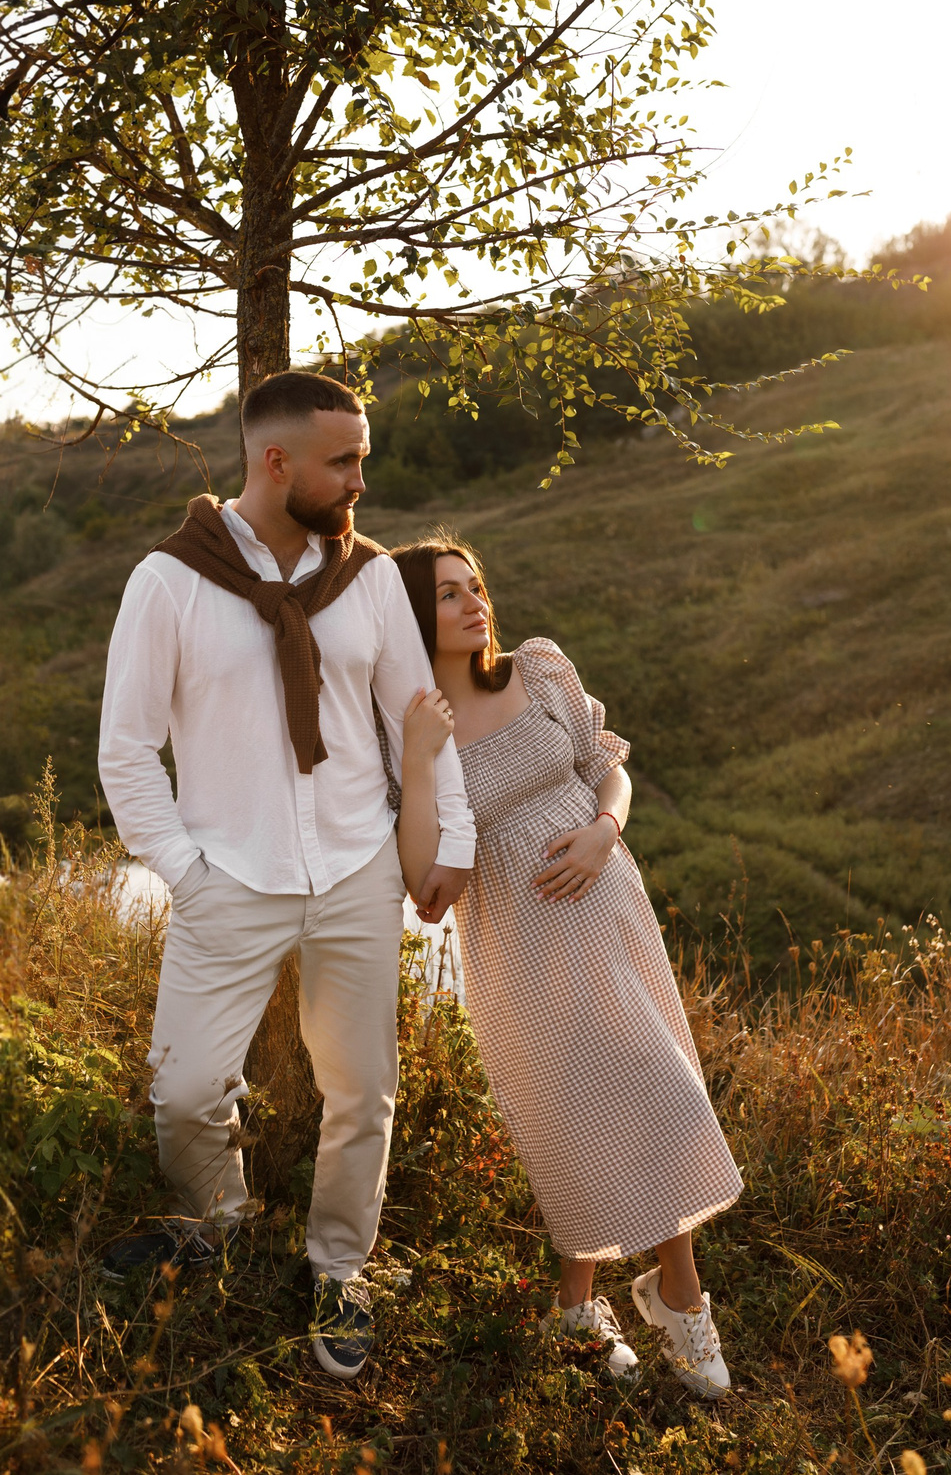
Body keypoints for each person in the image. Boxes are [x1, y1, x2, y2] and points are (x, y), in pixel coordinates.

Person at [97, 370, 474, 1381]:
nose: (360, 481)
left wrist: (454, 840)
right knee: (183, 1091)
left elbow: (418, 719)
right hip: (229, 874)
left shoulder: (371, 579)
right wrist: (188, 873)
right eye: (342, 461)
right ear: (276, 462)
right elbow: (126, 750)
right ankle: (215, 1225)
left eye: (361, 459)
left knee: (363, 1091)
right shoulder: (169, 581)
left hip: (356, 866)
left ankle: (337, 1266)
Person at [390, 535, 742, 1398]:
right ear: (410, 617)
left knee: (660, 1087)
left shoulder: (539, 670)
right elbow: (424, 880)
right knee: (571, 1117)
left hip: (608, 907)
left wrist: (602, 832)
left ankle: (677, 1293)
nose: (473, 603)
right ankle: (578, 1307)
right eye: (447, 594)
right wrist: (418, 754)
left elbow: (608, 772)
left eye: (475, 586)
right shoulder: (412, 724)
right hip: (519, 945)